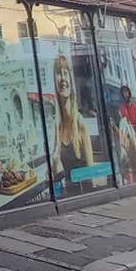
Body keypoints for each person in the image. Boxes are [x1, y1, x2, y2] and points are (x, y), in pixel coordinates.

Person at [49, 53, 94, 192]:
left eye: (65, 73)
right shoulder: (57, 125)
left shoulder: (80, 121)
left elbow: (91, 169)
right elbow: (56, 174)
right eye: (58, 73)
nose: (62, 78)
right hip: (67, 196)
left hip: (84, 195)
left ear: (70, 78)